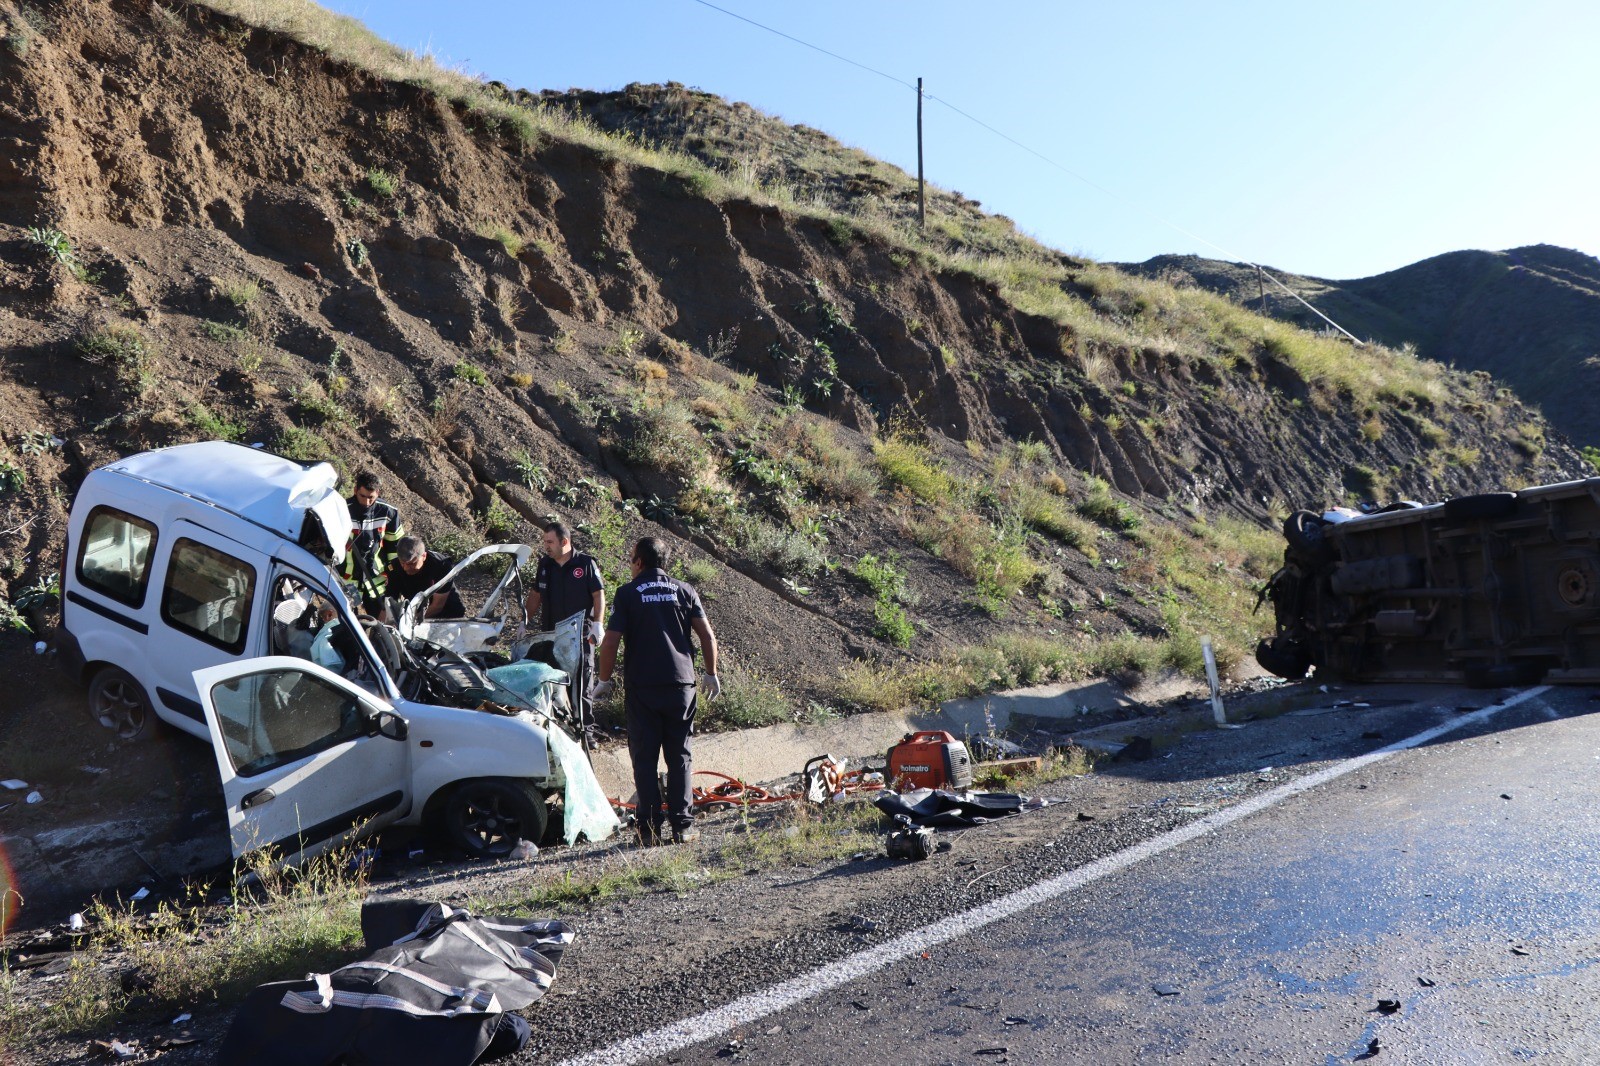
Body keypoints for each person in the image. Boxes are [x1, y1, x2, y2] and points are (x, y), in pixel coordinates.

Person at [593, 536, 719, 846]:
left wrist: (604, 680)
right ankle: (683, 828)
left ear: (639, 562)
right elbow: (707, 636)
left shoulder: (627, 593)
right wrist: (711, 673)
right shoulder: (685, 590)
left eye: (631, 558)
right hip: (681, 686)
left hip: (644, 689)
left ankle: (648, 831)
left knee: (645, 759)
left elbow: (610, 642)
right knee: (680, 758)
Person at [523, 521, 605, 725]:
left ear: (564, 541)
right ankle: (560, 728)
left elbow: (598, 594)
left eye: (550, 542)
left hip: (580, 636)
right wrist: (523, 621)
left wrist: (598, 623)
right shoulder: (545, 565)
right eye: (544, 542)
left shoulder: (585, 564)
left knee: (581, 684)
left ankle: (586, 731)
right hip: (551, 634)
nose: (546, 546)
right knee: (552, 682)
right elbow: (535, 595)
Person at [342, 471, 405, 615]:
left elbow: (395, 548)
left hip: (377, 580)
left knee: (382, 622)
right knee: (347, 624)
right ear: (355, 490)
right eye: (362, 496)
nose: (366, 502)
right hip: (347, 580)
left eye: (371, 498)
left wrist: (395, 577)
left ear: (378, 492)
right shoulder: (342, 510)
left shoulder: (389, 512)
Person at [384, 535, 465, 622]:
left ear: (424, 556)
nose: (406, 568)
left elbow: (437, 606)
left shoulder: (441, 565)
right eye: (403, 563)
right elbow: (388, 604)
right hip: (416, 609)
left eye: (412, 563)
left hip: (448, 613)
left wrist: (409, 622)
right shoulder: (394, 567)